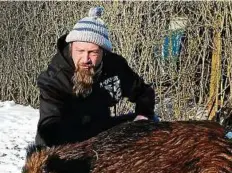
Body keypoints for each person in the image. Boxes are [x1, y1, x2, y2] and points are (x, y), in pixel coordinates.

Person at [35, 6, 156, 147]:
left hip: (101, 132)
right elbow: (49, 124)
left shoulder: (115, 66)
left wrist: (144, 116)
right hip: (63, 139)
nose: (85, 59)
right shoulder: (55, 79)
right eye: (80, 51)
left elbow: (144, 92)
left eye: (93, 53)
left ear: (103, 52)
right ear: (71, 47)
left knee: (152, 123)